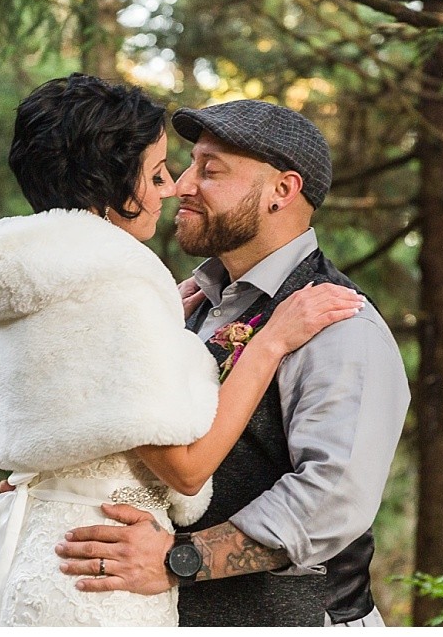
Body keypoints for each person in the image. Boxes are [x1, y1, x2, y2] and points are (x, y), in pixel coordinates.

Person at [0, 74, 364, 626]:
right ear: (114, 183)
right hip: (98, 576)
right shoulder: (118, 285)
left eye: (201, 170)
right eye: (158, 173)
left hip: (43, 553)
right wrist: (269, 343)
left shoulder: (29, 278)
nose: (173, 188)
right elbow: (186, 472)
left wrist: (159, 322)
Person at [53, 100, 412, 627]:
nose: (180, 185)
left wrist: (181, 560)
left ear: (282, 192)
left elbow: (332, 499)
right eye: (188, 164)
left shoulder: (339, 323)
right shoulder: (190, 305)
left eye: (210, 170)